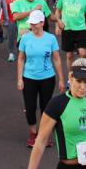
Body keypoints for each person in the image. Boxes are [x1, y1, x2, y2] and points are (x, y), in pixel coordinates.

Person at [18, 9, 64, 147]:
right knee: (30, 107)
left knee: (46, 107)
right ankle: (33, 134)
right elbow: (21, 59)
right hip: (29, 77)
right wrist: (19, 79)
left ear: (42, 23)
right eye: (31, 24)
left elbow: (56, 59)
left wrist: (61, 79)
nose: (32, 26)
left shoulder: (50, 38)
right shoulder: (25, 38)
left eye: (35, 24)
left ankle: (43, 135)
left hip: (47, 78)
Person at [54, 0, 86, 83]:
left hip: (80, 29)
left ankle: (85, 72)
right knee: (69, 55)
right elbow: (58, 11)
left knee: (83, 53)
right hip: (67, 29)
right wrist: (58, 23)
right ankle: (71, 77)